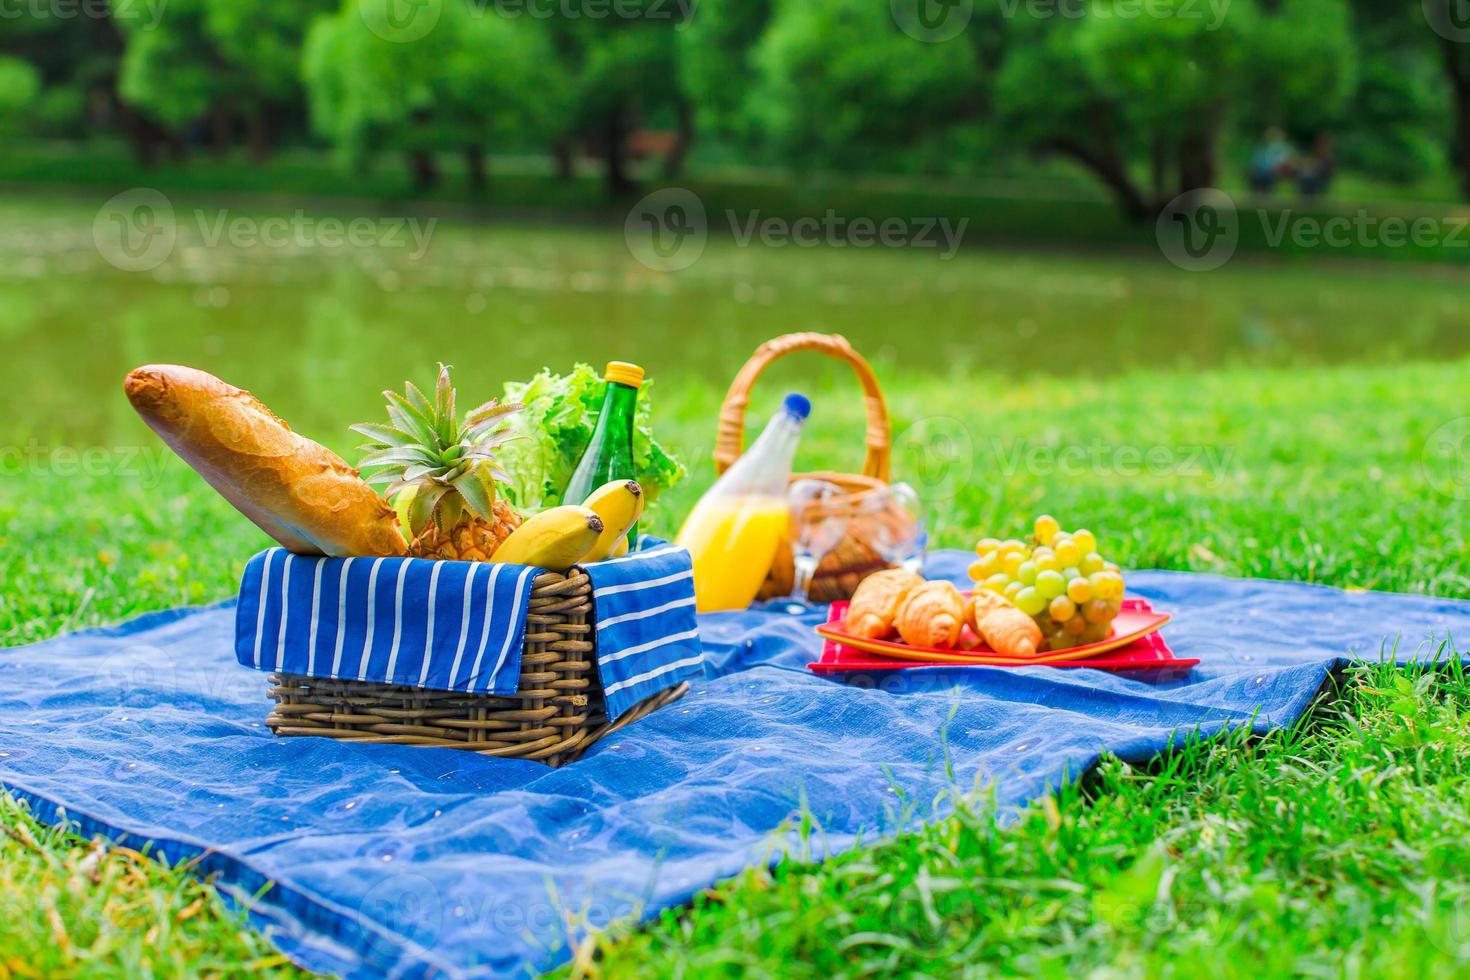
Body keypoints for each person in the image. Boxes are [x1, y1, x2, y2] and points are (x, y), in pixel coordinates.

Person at [1248, 127, 1295, 195]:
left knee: (1267, 177)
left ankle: (1265, 195)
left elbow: (1285, 161)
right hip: (1261, 170)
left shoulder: (1283, 148)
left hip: (1274, 172)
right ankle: (1258, 196)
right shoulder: (1262, 147)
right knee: (1256, 176)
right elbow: (1255, 160)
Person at [1296, 133, 1336, 198]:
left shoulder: (1329, 154)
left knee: (1309, 177)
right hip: (1313, 172)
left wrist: (1316, 165)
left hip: (1322, 174)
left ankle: (1309, 197)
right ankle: (1306, 196)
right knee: (1305, 175)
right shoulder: (1316, 151)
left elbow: (1328, 166)